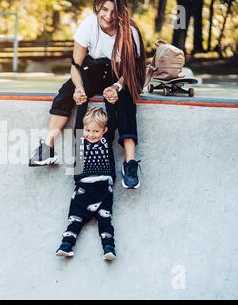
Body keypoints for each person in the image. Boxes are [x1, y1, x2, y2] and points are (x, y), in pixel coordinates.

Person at [28, 0, 146, 189]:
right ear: (97, 7)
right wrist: (79, 88)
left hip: (122, 74)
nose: (108, 16)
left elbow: (133, 71)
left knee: (127, 101)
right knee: (65, 93)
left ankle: (130, 164)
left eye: (114, 12)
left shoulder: (130, 32)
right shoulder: (88, 25)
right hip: (95, 69)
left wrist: (116, 86)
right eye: (104, 10)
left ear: (122, 12)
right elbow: (75, 67)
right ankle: (48, 147)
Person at [56, 106, 116, 260]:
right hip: (83, 187)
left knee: (105, 220)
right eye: (88, 130)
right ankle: (66, 245)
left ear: (104, 131)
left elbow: (113, 122)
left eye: (96, 131)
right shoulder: (80, 140)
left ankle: (109, 248)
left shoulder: (106, 140)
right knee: (75, 219)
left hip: (103, 187)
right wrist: (82, 104)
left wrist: (110, 103)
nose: (91, 134)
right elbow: (79, 123)